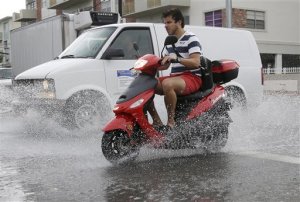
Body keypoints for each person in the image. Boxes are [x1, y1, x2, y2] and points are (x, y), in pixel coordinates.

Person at [148, 8, 203, 130]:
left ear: (179, 22)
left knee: (168, 84)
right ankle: (156, 120)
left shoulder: (191, 38)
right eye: (164, 23)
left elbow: (196, 62)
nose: (165, 26)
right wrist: (150, 64)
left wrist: (177, 59)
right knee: (146, 84)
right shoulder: (169, 42)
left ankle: (171, 122)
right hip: (176, 78)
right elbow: (166, 65)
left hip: (192, 77)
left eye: (168, 22)